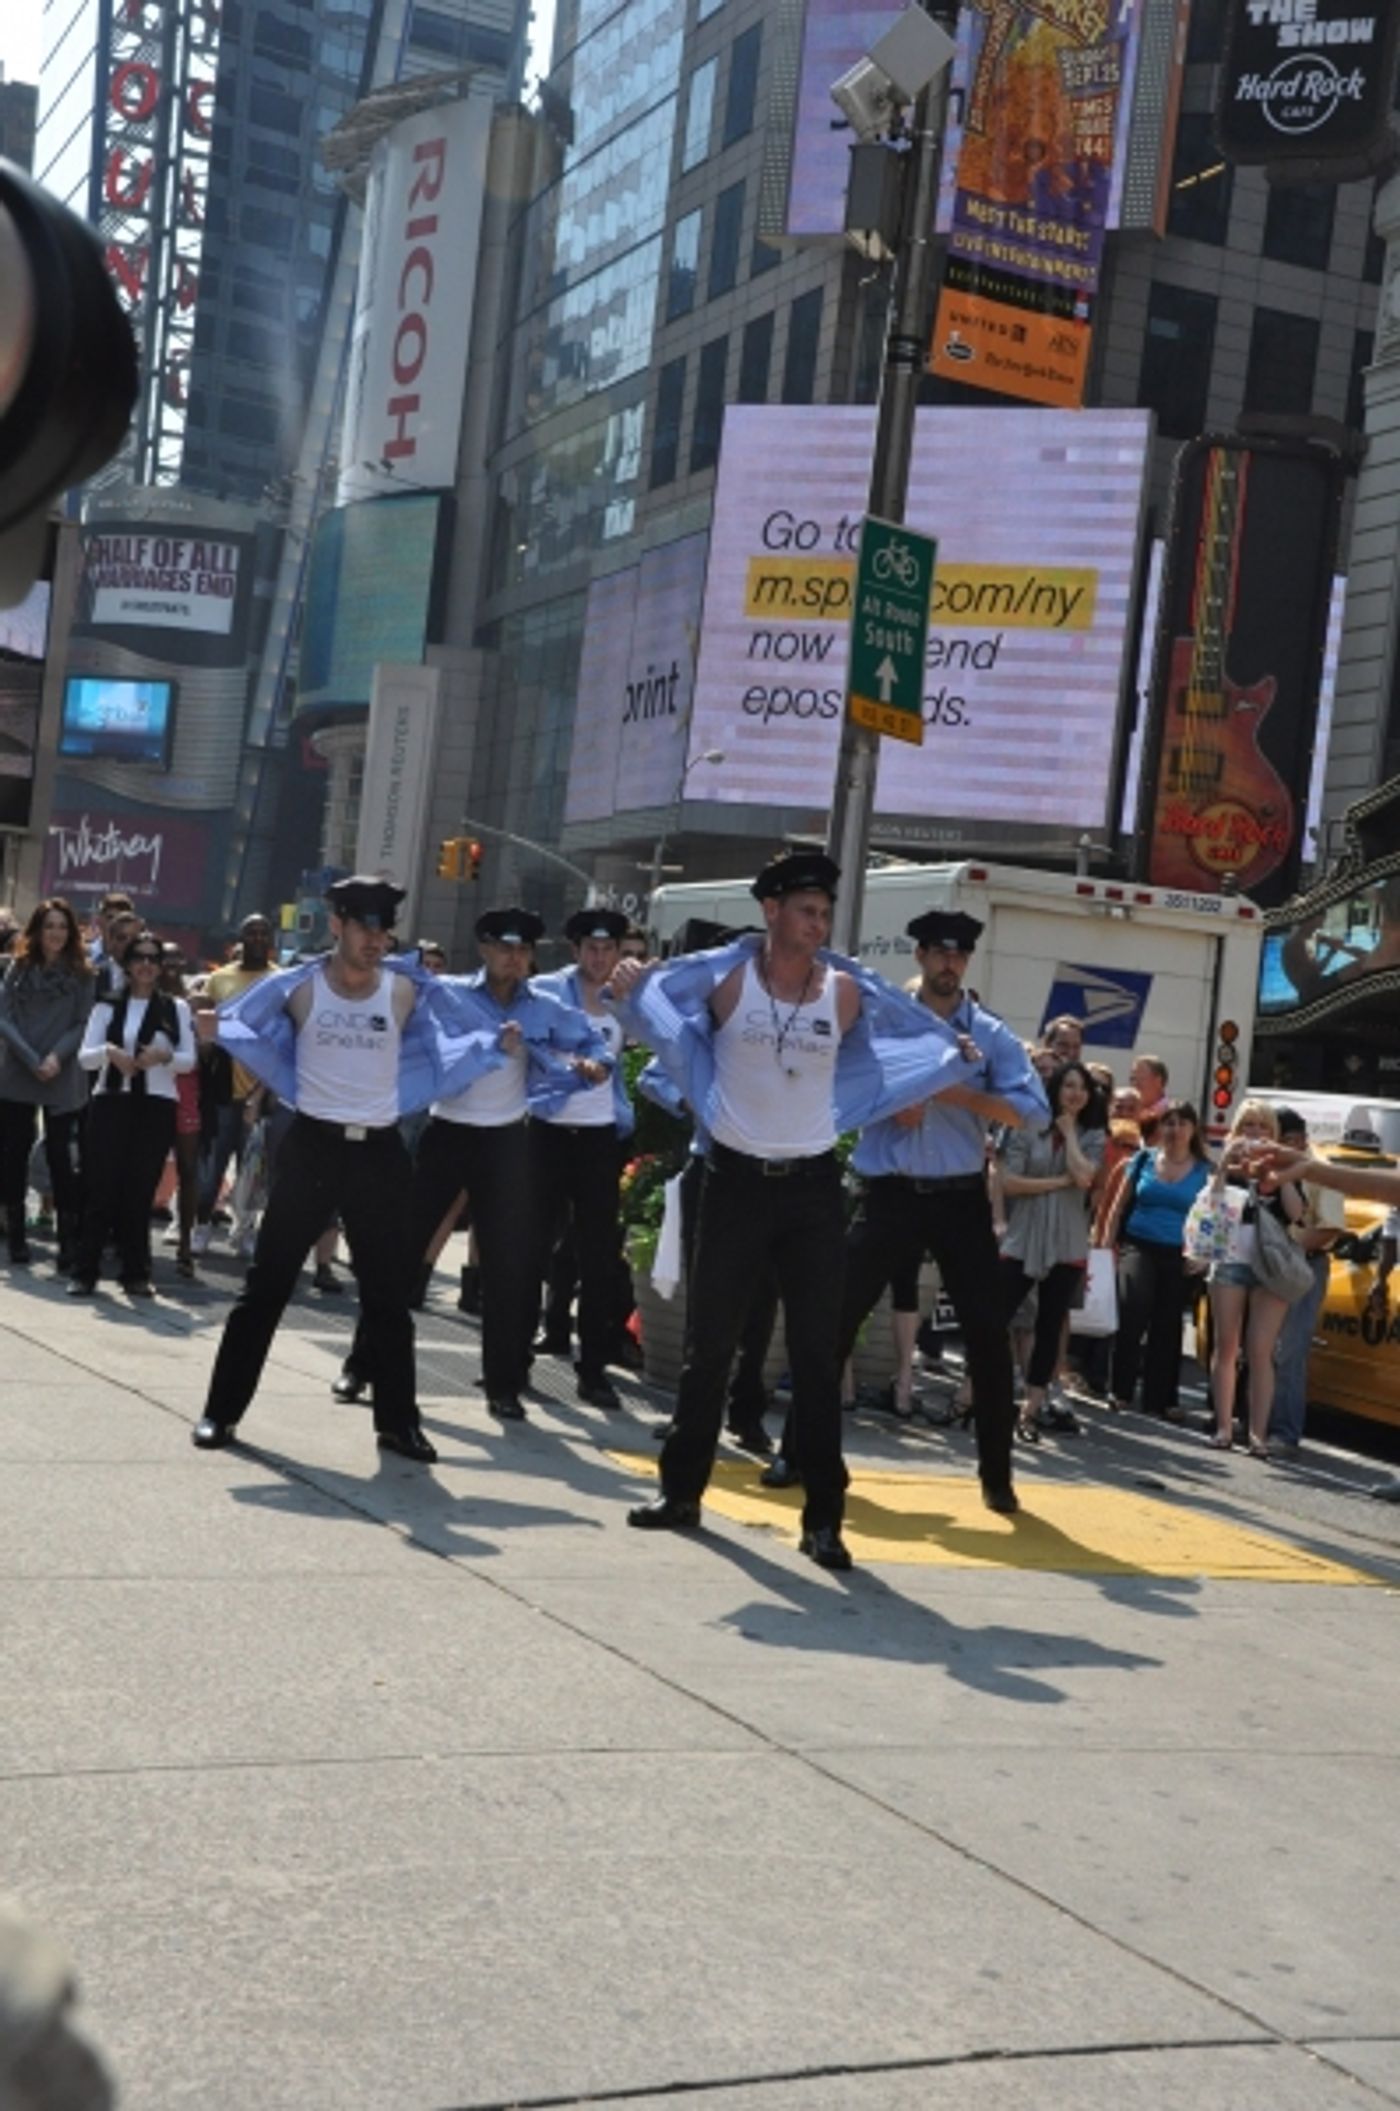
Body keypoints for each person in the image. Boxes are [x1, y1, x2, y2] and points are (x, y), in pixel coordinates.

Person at [615, 860, 988, 1567]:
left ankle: (825, 1520)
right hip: (733, 1180)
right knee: (710, 1345)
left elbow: (893, 1042)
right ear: (771, 910)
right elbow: (665, 1016)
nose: (818, 925)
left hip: (813, 1187)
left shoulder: (845, 991)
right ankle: (682, 1491)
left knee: (817, 1356)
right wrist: (635, 989)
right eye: (806, 910)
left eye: (824, 913)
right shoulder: (729, 981)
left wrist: (945, 1054)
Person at [191, 877, 501, 1463]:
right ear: (336, 925)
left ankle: (398, 1423)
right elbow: (242, 1025)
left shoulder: (406, 992)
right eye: (364, 928)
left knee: (388, 1294)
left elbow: (460, 1024)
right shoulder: (299, 989)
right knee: (267, 1286)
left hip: (380, 1153)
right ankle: (220, 1412)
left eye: (384, 930)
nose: (376, 940)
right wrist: (213, 1031)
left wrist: (496, 1041)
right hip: (313, 1146)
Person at [340, 906, 614, 1425]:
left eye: (525, 950)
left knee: (508, 1268)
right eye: (507, 948)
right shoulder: (452, 993)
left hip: (508, 1141)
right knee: (402, 1254)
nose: (516, 959)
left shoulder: (544, 1004)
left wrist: (595, 1064)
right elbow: (400, 981)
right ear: (485, 950)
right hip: (448, 1135)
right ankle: (362, 1363)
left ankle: (504, 1383)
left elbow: (591, 1039)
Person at [833, 910, 1047, 1514]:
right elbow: (845, 1083)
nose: (950, 963)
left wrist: (959, 1095)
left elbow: (1031, 1111)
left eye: (960, 955)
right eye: (940, 953)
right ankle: (801, 1451)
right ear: (922, 958)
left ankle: (996, 1476)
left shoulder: (990, 1034)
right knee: (836, 1318)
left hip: (958, 1195)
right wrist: (892, 1099)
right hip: (892, 1191)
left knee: (985, 1333)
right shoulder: (886, 1022)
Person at [531, 906, 636, 1410]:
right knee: (530, 1249)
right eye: (591, 949)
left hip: (599, 1138)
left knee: (598, 1258)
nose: (599, 958)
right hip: (547, 1132)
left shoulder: (626, 999)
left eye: (608, 949)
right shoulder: (550, 991)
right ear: (575, 951)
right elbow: (530, 1045)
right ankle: (513, 1361)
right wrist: (571, 1064)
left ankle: (593, 1370)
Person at [71, 931, 196, 1296]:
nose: (145, 964)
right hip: (112, 1099)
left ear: (160, 967)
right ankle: (85, 1271)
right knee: (101, 1188)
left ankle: (136, 1272)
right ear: (126, 965)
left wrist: (163, 1057)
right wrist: (112, 1051)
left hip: (156, 1104)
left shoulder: (176, 1008)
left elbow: (188, 1062)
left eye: (152, 959)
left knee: (139, 1190)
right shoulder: (106, 1006)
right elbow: (84, 1056)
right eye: (138, 957)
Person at [998, 1061, 1107, 1441]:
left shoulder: (1093, 1134)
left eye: (1083, 1087)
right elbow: (1009, 1182)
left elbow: (1086, 1177)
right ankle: (975, 1394)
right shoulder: (1028, 1126)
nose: (1076, 1093)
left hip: (1067, 1240)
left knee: (1050, 1325)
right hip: (1024, 1235)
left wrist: (1070, 1135)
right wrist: (1060, 1180)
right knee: (995, 1315)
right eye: (1068, 1086)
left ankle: (1030, 1408)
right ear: (1055, 1090)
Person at [1205, 1100, 1305, 1456]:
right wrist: (1225, 1165)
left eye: (1263, 1127)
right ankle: (1222, 1426)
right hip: (1231, 1257)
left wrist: (1278, 1172)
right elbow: (1210, 1205)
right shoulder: (1228, 1162)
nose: (1255, 1133)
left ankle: (1258, 1433)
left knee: (1261, 1351)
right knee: (1227, 1345)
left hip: (1270, 1265)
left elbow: (1296, 1214)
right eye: (1248, 1125)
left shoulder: (1283, 1164)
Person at [0, 898, 95, 1271]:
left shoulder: (84, 974)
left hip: (61, 1071)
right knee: (14, 1153)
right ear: (36, 931)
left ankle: (67, 1241)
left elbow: (83, 1022)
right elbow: (3, 1017)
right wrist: (30, 1056)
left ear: (71, 932)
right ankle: (17, 1234)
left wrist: (55, 1057)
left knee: (60, 1156)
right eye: (48, 926)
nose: (55, 933)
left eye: (62, 926)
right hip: (19, 1070)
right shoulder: (16, 968)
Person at [1101, 1099, 1210, 1421]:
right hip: (1138, 1245)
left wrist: (1203, 1255)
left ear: (1193, 1130)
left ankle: (1161, 1398)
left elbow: (1212, 1219)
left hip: (1179, 1253)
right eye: (1169, 1123)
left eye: (1182, 1123)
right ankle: (1120, 1389)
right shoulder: (1143, 1159)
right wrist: (1106, 1248)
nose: (1174, 1130)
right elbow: (1118, 1207)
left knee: (1168, 1323)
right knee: (1132, 1309)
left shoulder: (1206, 1170)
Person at [192, 912, 279, 1253]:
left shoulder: (280, 980)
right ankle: (201, 1226)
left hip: (265, 1088)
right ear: (239, 940)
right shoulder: (219, 980)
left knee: (254, 1167)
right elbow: (206, 1029)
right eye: (250, 933)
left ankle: (245, 1229)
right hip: (223, 1088)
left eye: (263, 933)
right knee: (212, 1164)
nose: (257, 939)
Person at [1267, 1108, 1346, 1457]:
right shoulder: (1267, 1165)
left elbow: (1330, 1228)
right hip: (1269, 1263)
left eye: (1280, 1139)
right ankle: (1256, 1422)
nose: (1274, 1145)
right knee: (1260, 1348)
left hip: (1303, 1266)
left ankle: (1284, 1433)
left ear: (1299, 1140)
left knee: (1290, 1352)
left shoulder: (1319, 1171)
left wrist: (1286, 1249)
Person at [159, 943, 204, 1277]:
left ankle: (186, 1244)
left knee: (189, 1170)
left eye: (177, 957)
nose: (171, 963)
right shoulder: (146, 999)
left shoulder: (195, 1002)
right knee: (144, 1168)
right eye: (166, 958)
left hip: (186, 1092)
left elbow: (208, 1053)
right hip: (150, 1092)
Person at [1130, 1054, 1171, 1139]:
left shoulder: (1171, 1115)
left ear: (1158, 1081)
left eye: (1141, 1079)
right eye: (1133, 1079)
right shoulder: (1128, 1111)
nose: (1135, 1084)